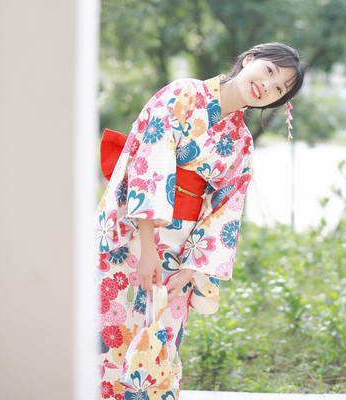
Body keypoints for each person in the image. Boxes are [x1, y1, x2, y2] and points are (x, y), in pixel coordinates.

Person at [95, 42, 304, 400]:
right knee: (111, 333)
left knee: (159, 347)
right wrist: (147, 248)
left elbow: (226, 210)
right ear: (249, 59)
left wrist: (192, 270)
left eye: (279, 88)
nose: (267, 86)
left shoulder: (240, 142)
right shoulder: (182, 94)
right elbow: (150, 162)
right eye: (269, 71)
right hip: (132, 236)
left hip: (180, 256)